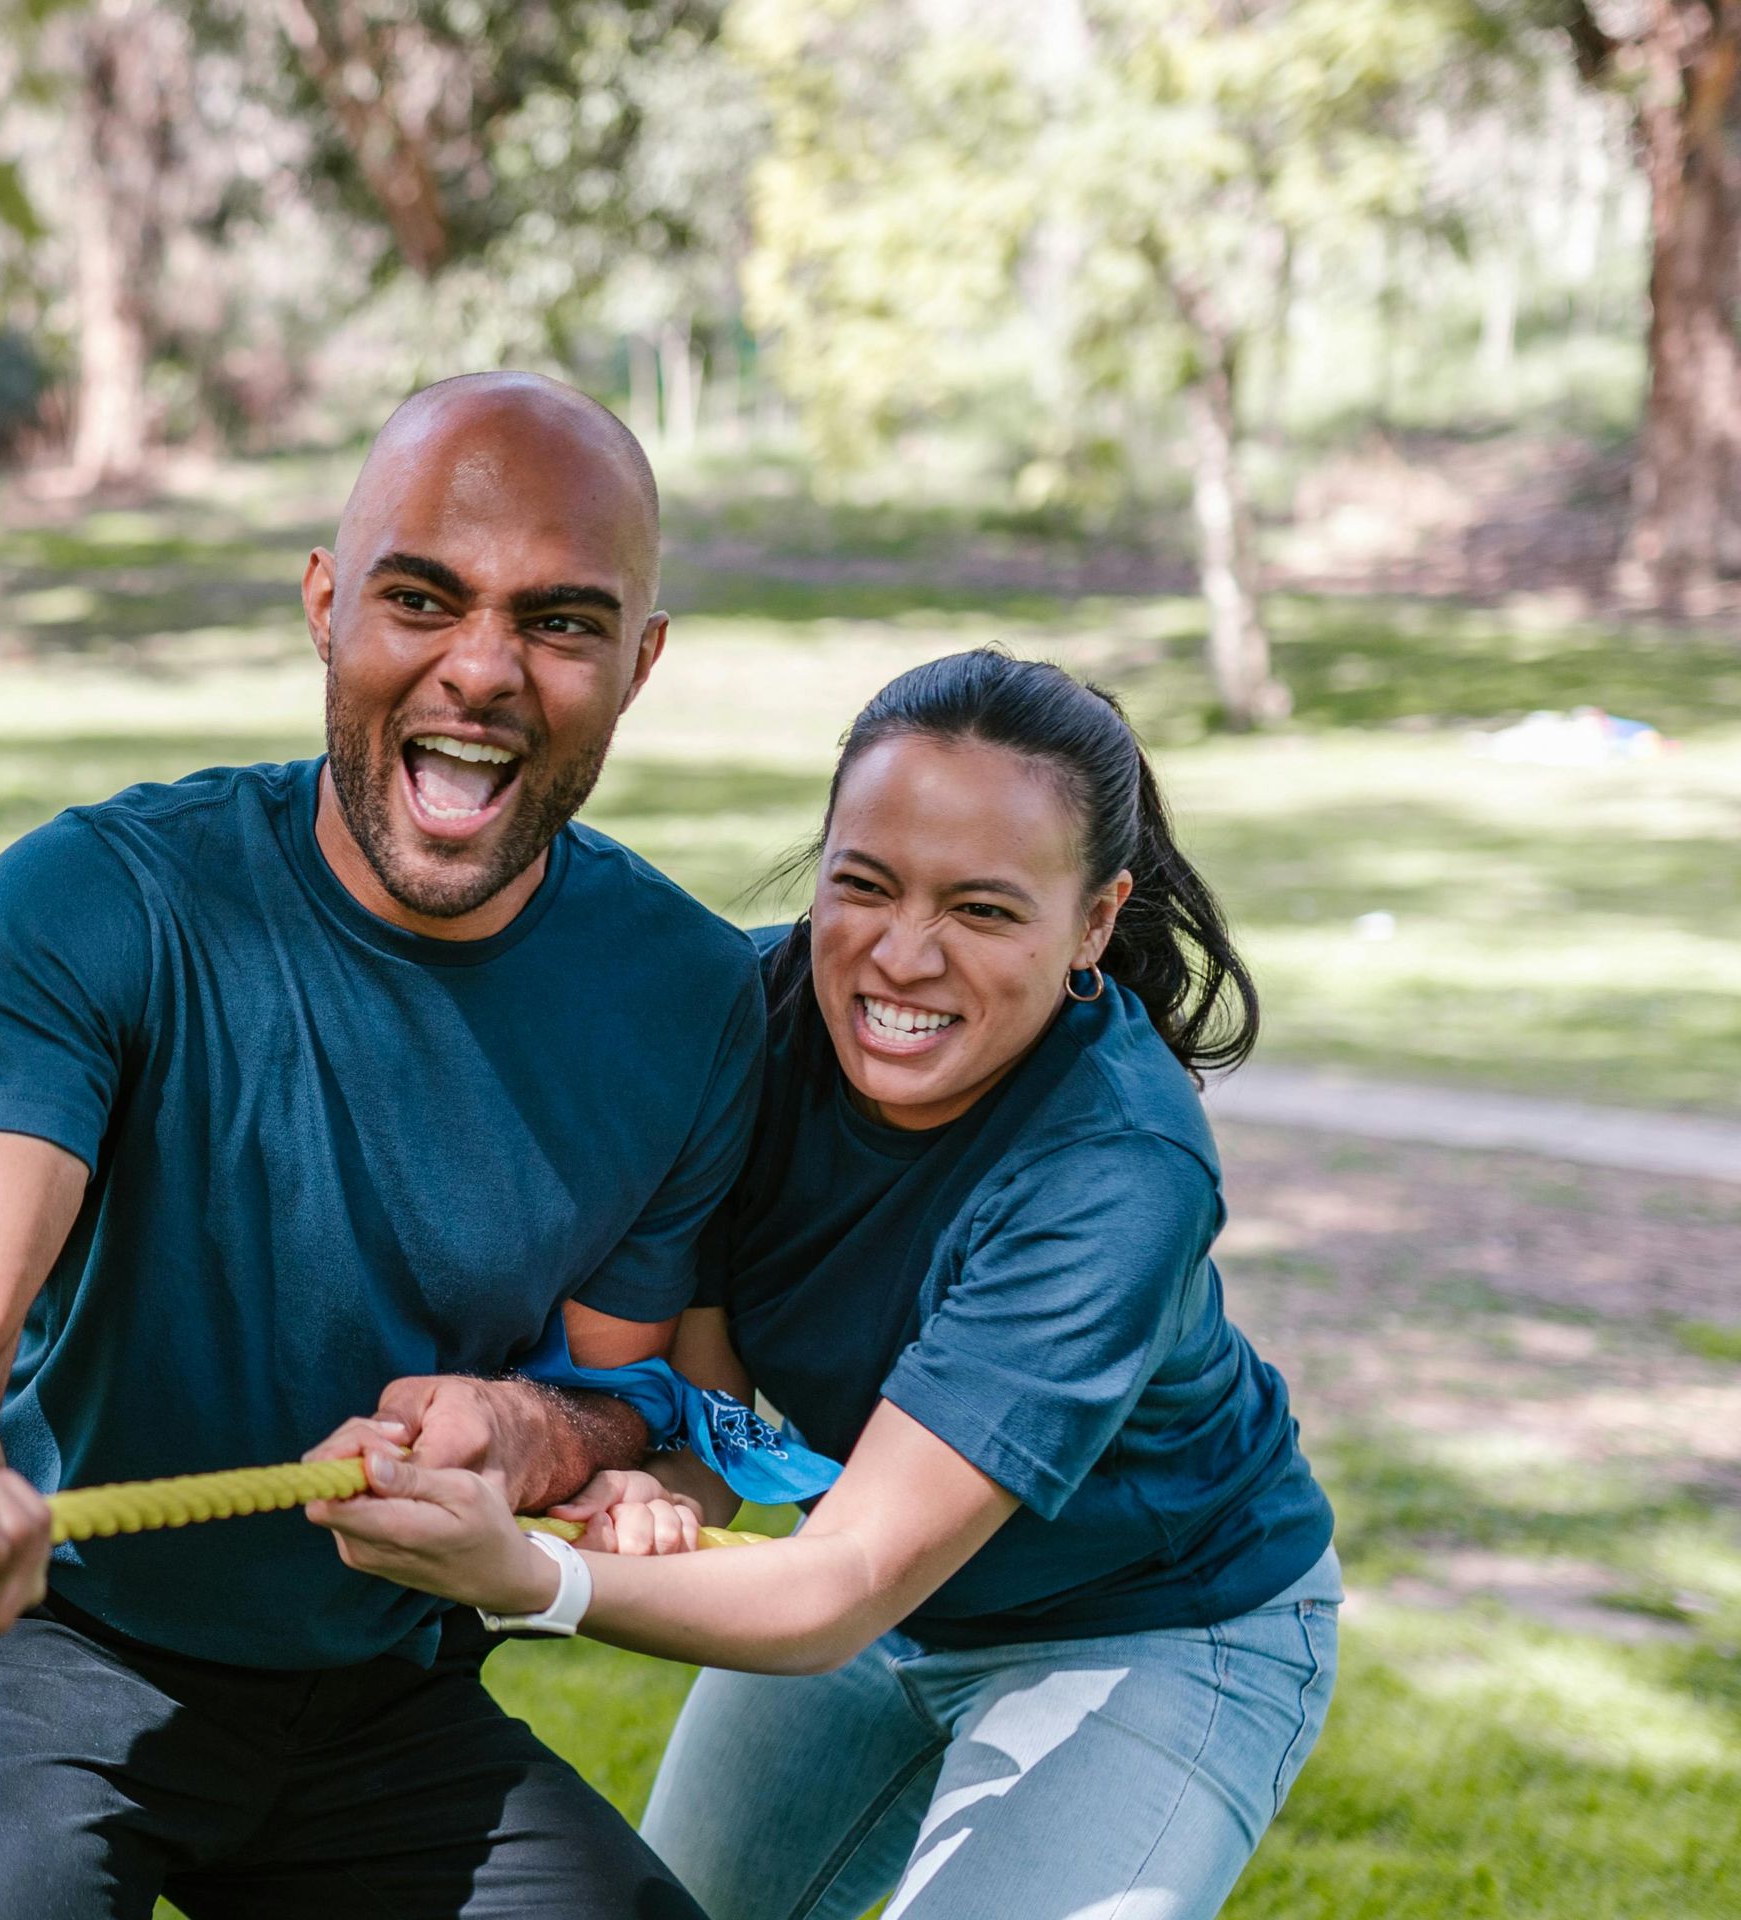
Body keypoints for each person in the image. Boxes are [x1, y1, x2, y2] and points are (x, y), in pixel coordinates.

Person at [0, 372, 760, 1920]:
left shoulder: (697, 1001)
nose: (482, 670)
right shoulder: (96, 902)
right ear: (326, 606)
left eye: (561, 624)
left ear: (640, 665)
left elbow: (632, 1400)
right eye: (422, 598)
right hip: (34, 1644)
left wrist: (527, 1438)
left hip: (376, 1694)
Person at [307, 650, 1339, 1920]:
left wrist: (532, 1576)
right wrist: (638, 1481)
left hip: (1155, 1625)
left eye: (984, 909)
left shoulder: (1118, 1170)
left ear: (1094, 920)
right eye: (864, 885)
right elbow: (713, 1414)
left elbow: (839, 1586)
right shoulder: (746, 1027)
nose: (902, 957)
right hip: (877, 1594)